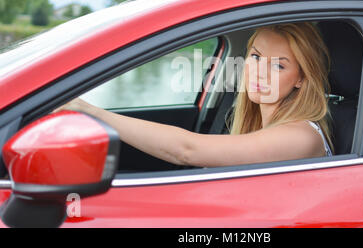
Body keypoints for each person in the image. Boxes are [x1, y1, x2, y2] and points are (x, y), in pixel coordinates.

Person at [53, 23, 334, 168]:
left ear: (301, 78)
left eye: (278, 64)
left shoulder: (301, 136)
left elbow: (187, 150)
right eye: (256, 56)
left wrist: (92, 112)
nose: (260, 72)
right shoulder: (255, 125)